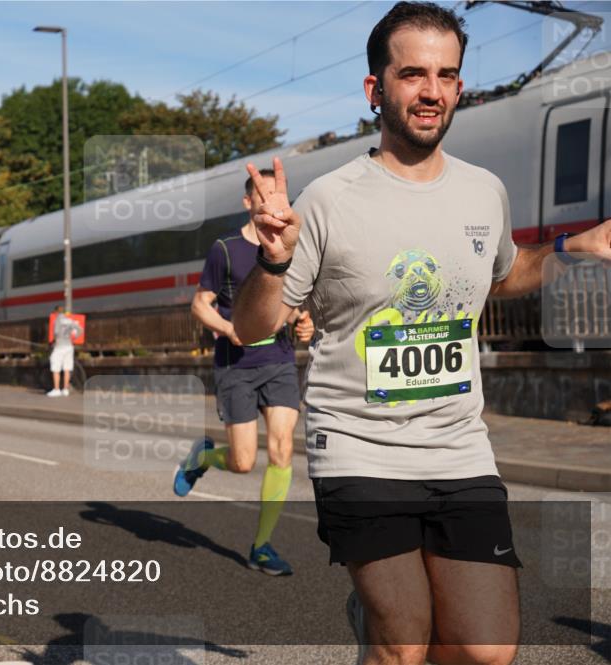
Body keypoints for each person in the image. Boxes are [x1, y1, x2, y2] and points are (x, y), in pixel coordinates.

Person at [232, 3, 611, 664]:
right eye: (413, 74)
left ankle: (374, 616)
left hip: (458, 446)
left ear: (460, 87)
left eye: (446, 75)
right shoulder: (329, 199)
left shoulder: (484, 191)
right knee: (405, 640)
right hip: (359, 446)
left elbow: (504, 271)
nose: (431, 91)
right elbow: (252, 326)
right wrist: (273, 258)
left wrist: (571, 244)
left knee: (484, 649)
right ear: (377, 90)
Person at [175, 175, 314, 576]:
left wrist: (304, 323)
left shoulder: (291, 245)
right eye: (263, 194)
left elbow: (297, 301)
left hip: (280, 360)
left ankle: (262, 546)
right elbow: (200, 305)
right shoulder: (225, 249)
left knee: (283, 447)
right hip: (236, 364)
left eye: (276, 193)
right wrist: (228, 329)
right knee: (241, 462)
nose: (271, 199)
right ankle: (203, 456)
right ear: (247, 201)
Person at [47, 305, 81, 397]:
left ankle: (57, 389)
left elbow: (56, 333)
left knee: (56, 368)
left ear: (56, 312)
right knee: (67, 368)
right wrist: (74, 338)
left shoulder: (57, 319)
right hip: (69, 346)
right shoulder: (69, 320)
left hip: (59, 346)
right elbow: (79, 329)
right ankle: (65, 389)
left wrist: (53, 342)